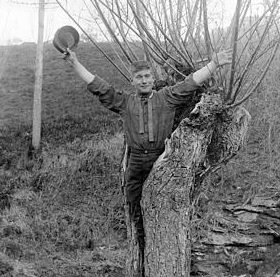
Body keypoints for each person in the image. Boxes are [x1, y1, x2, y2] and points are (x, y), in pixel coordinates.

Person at [65, 48, 232, 246]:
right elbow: (99, 86)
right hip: (136, 162)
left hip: (162, 160)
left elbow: (190, 83)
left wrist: (213, 64)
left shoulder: (166, 97)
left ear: (153, 79)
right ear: (132, 81)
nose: (144, 81)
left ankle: (168, 243)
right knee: (134, 202)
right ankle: (144, 245)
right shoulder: (125, 102)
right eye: (139, 77)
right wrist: (75, 64)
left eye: (147, 76)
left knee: (166, 204)